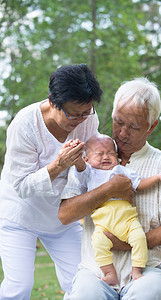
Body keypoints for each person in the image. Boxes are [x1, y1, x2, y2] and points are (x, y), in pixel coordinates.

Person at [58, 77, 161, 300]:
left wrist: (130, 243)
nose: (122, 133)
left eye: (134, 126)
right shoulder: (90, 157)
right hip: (95, 270)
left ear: (152, 125)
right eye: (118, 122)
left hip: (146, 270)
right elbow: (65, 214)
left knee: (149, 293)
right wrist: (109, 189)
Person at [0, 63, 110, 299]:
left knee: (84, 280)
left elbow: (87, 174)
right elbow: (21, 186)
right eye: (72, 114)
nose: (80, 120)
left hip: (61, 216)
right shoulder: (25, 125)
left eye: (86, 112)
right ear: (52, 102)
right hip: (19, 215)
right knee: (19, 286)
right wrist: (57, 166)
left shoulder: (87, 118)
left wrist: (81, 165)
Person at [72, 134, 161, 285]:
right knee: (98, 243)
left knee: (140, 238)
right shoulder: (89, 173)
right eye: (99, 154)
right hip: (103, 224)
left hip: (127, 220)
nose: (106, 157)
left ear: (117, 156)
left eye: (111, 153)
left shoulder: (121, 170)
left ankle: (137, 269)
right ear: (87, 159)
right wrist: (77, 157)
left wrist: (157, 178)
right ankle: (109, 273)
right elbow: (80, 169)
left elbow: (139, 184)